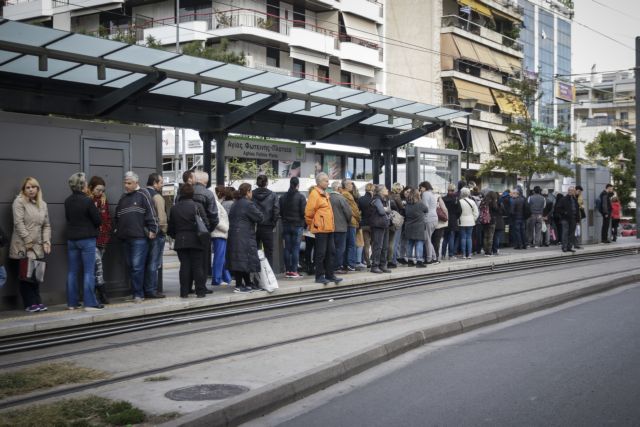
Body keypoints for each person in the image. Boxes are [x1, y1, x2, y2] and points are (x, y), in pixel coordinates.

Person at [114, 171, 158, 303]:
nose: (126, 185)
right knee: (131, 266)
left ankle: (138, 294)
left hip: (139, 238)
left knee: (137, 266)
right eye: (125, 183)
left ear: (136, 183)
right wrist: (117, 229)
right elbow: (117, 215)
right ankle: (136, 292)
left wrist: (153, 229)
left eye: (129, 183)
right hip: (125, 238)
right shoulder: (123, 197)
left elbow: (151, 213)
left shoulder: (143, 194)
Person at [9, 177, 51, 312]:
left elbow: (46, 225)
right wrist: (28, 241)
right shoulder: (19, 202)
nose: (31, 189)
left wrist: (46, 241)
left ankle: (37, 302)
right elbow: (18, 223)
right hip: (22, 246)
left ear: (38, 189)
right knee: (26, 276)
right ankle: (30, 304)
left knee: (36, 276)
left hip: (37, 247)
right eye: (28, 187)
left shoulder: (43, 204)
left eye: (33, 187)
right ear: (24, 189)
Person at [64, 173, 103, 311]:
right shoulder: (87, 201)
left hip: (72, 240)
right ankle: (90, 302)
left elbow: (68, 218)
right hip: (87, 239)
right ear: (82, 185)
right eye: (85, 182)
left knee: (72, 272)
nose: (87, 184)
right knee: (88, 271)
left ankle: (72, 303)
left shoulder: (67, 201)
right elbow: (98, 220)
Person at [168, 183, 210, 298]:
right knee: (197, 266)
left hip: (181, 241)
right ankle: (200, 291)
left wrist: (176, 235)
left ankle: (184, 292)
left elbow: (170, 227)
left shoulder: (174, 208)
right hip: (196, 240)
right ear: (192, 194)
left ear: (181, 194)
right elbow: (206, 224)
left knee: (184, 266)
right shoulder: (197, 206)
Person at [305, 173, 341, 285]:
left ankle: (330, 275)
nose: (328, 182)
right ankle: (319, 276)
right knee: (321, 253)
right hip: (321, 228)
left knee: (331, 252)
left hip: (329, 228)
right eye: (326, 181)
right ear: (319, 182)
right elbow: (308, 213)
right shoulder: (315, 194)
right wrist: (314, 225)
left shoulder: (325, 194)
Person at [227, 183, 264, 293]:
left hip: (234, 235)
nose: (251, 193)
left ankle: (247, 283)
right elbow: (260, 217)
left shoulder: (235, 203)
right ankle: (239, 285)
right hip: (244, 236)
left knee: (240, 260)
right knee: (244, 259)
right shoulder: (248, 204)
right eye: (251, 191)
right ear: (248, 192)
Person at [87, 176, 112, 304]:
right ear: (91, 188)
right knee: (98, 266)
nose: (100, 192)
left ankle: (96, 293)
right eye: (98, 190)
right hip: (91, 238)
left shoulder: (103, 200)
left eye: (102, 190)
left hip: (103, 238)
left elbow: (107, 217)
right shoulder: (87, 200)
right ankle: (102, 292)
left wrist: (107, 230)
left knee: (96, 266)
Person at [143, 173, 167, 299]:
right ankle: (151, 290)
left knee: (145, 263)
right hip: (156, 234)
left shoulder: (141, 193)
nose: (162, 185)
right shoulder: (157, 197)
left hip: (143, 233)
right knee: (154, 263)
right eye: (161, 182)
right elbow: (162, 219)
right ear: (155, 183)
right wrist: (163, 231)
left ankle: (144, 288)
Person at [279, 177, 306, 278]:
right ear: (298, 185)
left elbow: (280, 212)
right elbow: (304, 212)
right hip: (297, 225)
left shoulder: (283, 197)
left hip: (286, 225)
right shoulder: (301, 197)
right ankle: (294, 271)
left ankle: (288, 271)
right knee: (295, 248)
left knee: (287, 248)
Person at [252, 175, 280, 267]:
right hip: (268, 226)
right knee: (269, 252)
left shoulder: (251, 194)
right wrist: (273, 223)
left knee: (255, 250)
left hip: (255, 226)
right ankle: (268, 274)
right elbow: (276, 210)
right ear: (267, 183)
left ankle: (256, 274)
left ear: (257, 183)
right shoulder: (273, 195)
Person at [328, 181, 352, 275]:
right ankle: (337, 267)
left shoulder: (328, 197)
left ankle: (330, 266)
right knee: (340, 248)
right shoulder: (341, 198)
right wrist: (347, 221)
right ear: (338, 189)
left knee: (331, 248)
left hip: (329, 227)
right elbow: (348, 213)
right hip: (341, 227)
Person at [211, 189, 231, 286]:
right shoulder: (216, 204)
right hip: (219, 233)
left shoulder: (216, 203)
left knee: (221, 257)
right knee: (219, 257)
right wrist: (226, 228)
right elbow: (217, 220)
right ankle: (217, 278)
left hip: (219, 233)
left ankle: (226, 277)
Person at [369, 185, 391, 274]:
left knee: (385, 246)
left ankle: (383, 265)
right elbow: (382, 211)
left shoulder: (383, 199)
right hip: (378, 225)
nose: (387, 190)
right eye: (385, 188)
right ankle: (375, 266)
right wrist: (385, 209)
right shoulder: (377, 199)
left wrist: (385, 209)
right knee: (378, 246)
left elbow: (388, 210)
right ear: (381, 191)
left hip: (384, 224)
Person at [339, 179, 360, 272]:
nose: (352, 185)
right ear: (346, 186)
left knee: (346, 244)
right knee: (351, 244)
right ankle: (351, 264)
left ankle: (345, 264)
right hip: (351, 222)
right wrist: (359, 218)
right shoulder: (347, 195)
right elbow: (354, 210)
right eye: (350, 184)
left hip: (346, 222)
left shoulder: (342, 194)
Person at [404, 188, 428, 267]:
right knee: (419, 243)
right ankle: (419, 261)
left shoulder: (407, 204)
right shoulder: (420, 204)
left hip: (409, 226)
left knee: (410, 243)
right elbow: (426, 209)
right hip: (418, 227)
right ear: (418, 195)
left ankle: (410, 260)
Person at [556, 186, 580, 253]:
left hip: (573, 218)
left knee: (571, 234)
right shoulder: (563, 199)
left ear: (574, 192)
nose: (571, 191)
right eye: (569, 190)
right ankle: (564, 247)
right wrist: (565, 213)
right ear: (568, 191)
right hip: (565, 219)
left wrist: (577, 219)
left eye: (572, 190)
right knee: (565, 233)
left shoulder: (574, 199)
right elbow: (558, 208)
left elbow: (577, 209)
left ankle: (569, 247)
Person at [419, 181, 438, 265]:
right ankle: (434, 257)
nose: (420, 189)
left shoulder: (425, 194)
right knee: (429, 239)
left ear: (425, 187)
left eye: (421, 187)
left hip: (428, 218)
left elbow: (425, 207)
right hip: (434, 218)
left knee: (427, 240)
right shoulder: (431, 194)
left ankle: (429, 258)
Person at [441, 184, 460, 260]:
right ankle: (451, 255)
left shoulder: (443, 199)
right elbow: (459, 211)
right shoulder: (455, 199)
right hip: (453, 220)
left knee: (445, 238)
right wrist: (456, 217)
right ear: (454, 190)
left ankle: (442, 254)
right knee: (451, 238)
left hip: (444, 220)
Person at [458, 187, 478, 259]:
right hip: (470, 221)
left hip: (462, 221)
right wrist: (473, 219)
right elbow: (476, 212)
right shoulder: (472, 202)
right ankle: (469, 254)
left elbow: (458, 212)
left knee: (463, 238)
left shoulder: (459, 201)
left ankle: (463, 254)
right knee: (469, 238)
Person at [357, 183, 374, 267]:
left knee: (366, 244)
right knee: (374, 244)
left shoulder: (361, 199)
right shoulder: (374, 199)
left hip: (364, 224)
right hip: (373, 224)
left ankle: (367, 262)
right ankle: (374, 260)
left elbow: (358, 211)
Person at [387, 183, 404, 268]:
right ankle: (393, 260)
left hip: (390, 220)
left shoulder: (389, 196)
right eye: (399, 189)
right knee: (395, 242)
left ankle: (390, 259)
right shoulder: (397, 197)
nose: (400, 191)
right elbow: (401, 208)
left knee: (390, 241)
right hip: (397, 220)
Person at [481, 191, 499, 257]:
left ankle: (485, 251)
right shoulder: (493, 203)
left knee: (485, 236)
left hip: (484, 221)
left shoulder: (484, 202)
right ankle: (489, 252)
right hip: (492, 221)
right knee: (490, 237)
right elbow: (497, 210)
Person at [432, 192, 448, 263]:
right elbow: (444, 209)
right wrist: (447, 219)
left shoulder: (428, 198)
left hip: (431, 223)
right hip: (440, 223)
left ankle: (431, 255)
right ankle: (436, 256)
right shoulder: (438, 198)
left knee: (431, 240)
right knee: (437, 241)